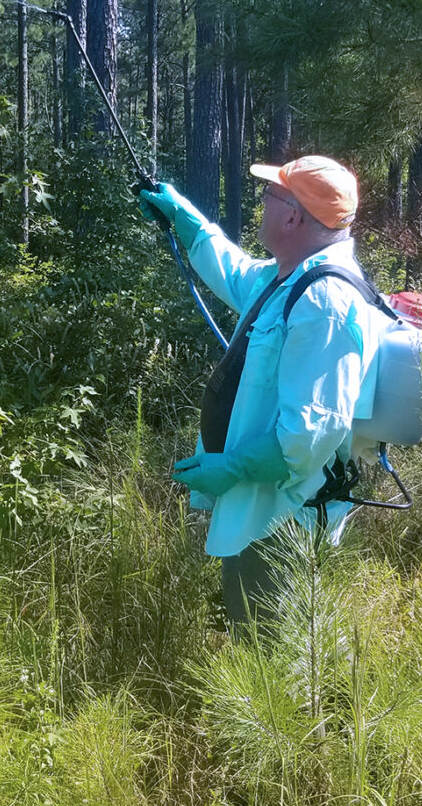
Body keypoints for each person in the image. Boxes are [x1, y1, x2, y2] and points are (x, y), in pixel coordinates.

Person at [139, 155, 380, 629]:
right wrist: (184, 218)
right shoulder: (287, 277)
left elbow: (310, 435)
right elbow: (233, 271)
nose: (261, 205)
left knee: (273, 652)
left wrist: (230, 468)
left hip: (285, 514)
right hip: (266, 504)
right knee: (257, 633)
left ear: (293, 215)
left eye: (270, 196)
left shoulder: (324, 303)